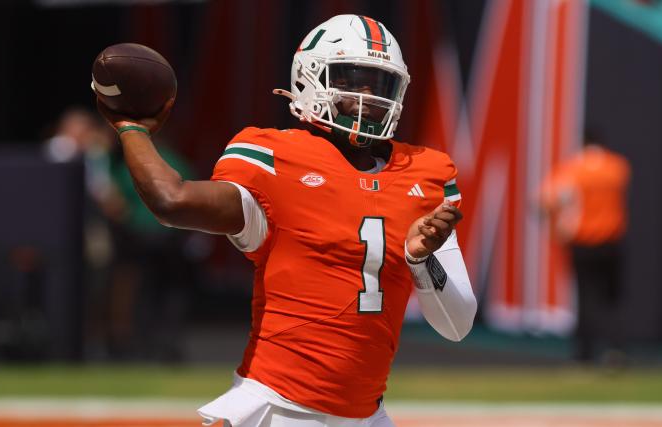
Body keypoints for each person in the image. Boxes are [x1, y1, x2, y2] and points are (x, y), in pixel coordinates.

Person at [95, 14, 476, 427]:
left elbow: (456, 324)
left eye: (380, 83)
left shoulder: (424, 173)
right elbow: (172, 201)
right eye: (353, 78)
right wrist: (132, 129)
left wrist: (421, 259)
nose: (368, 94)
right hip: (277, 410)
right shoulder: (275, 158)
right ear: (309, 78)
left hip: (368, 416)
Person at [539, 132, 631, 365]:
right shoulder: (617, 167)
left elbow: (545, 200)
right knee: (611, 298)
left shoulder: (572, 169)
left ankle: (585, 354)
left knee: (586, 298)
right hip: (611, 243)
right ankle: (615, 350)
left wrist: (556, 225)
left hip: (582, 243)